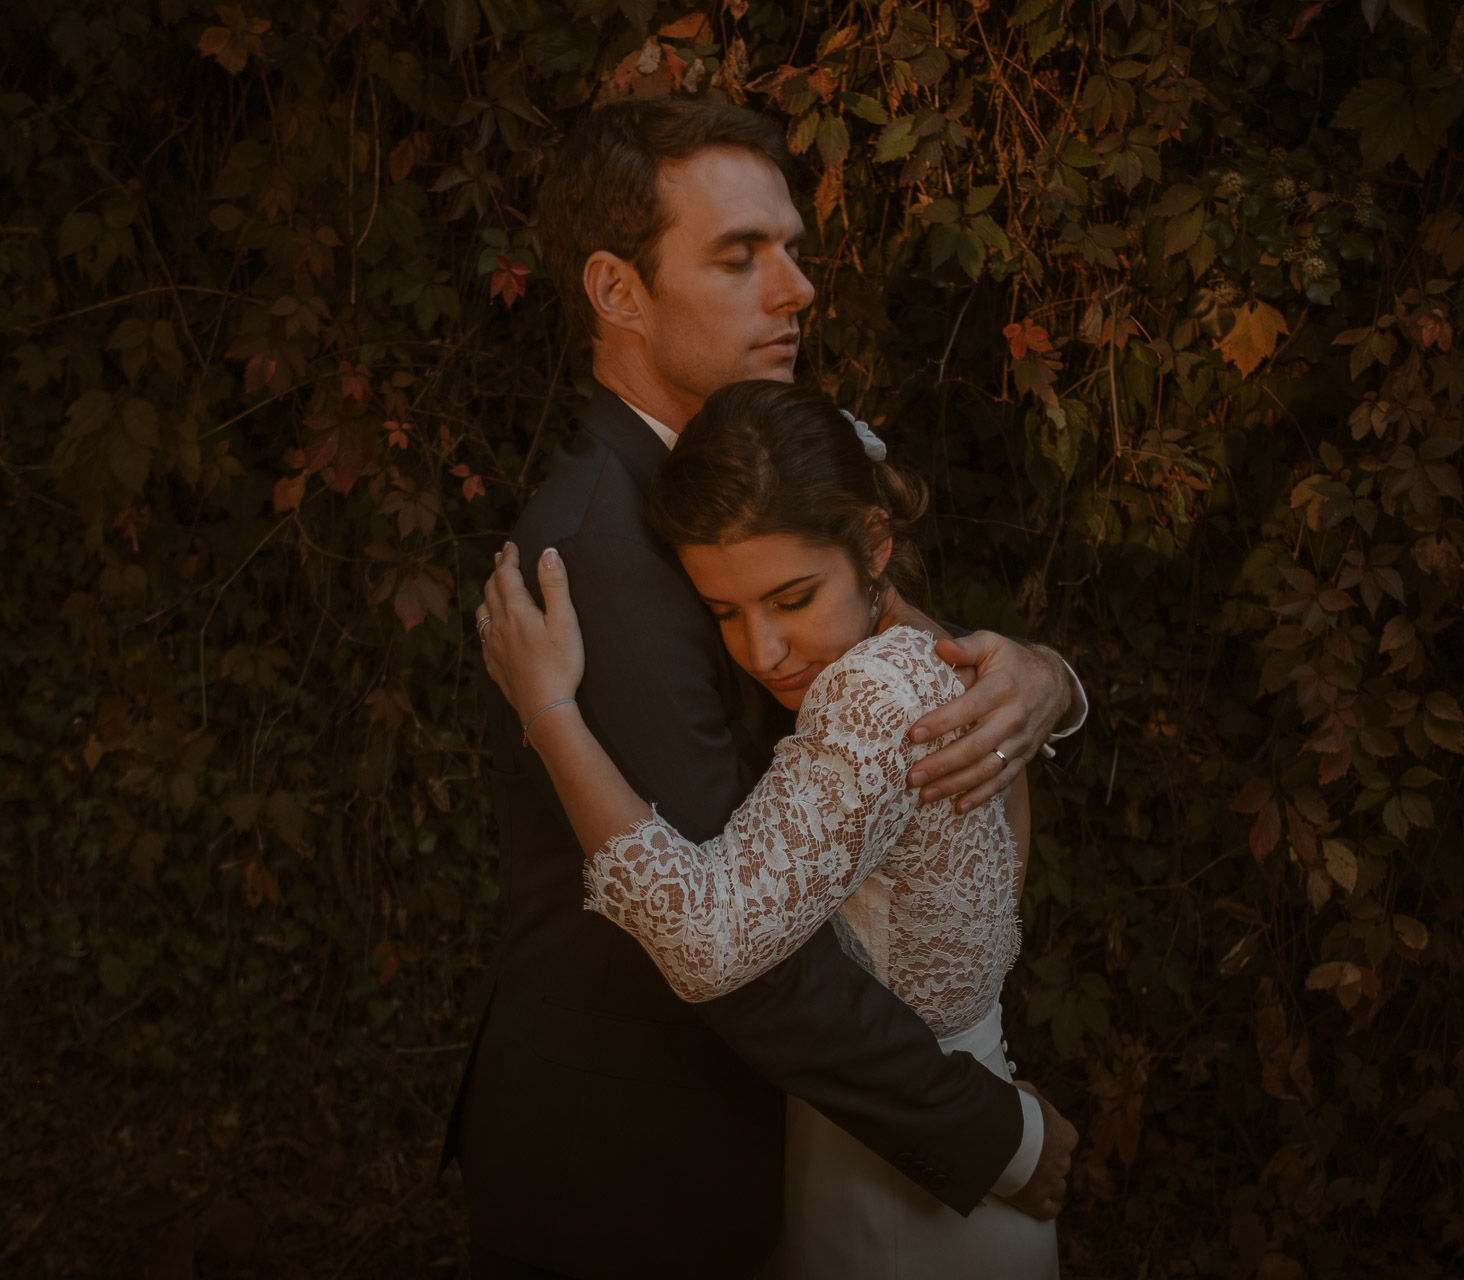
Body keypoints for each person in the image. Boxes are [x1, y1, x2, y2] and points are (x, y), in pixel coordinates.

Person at [442, 96, 1085, 1280]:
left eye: (791, 249)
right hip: (630, 1176)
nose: (794, 289)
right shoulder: (597, 556)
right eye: (741, 256)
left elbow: (902, 676)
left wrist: (1044, 679)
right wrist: (987, 1132)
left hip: (760, 1150)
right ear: (616, 291)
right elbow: (733, 945)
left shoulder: (742, 474)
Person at [478, 377, 1060, 1277]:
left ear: (873, 543)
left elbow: (709, 942)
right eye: (724, 613)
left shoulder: (870, 698)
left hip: (904, 1203)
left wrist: (550, 710)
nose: (761, 652)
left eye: (791, 599)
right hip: (894, 1140)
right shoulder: (929, 660)